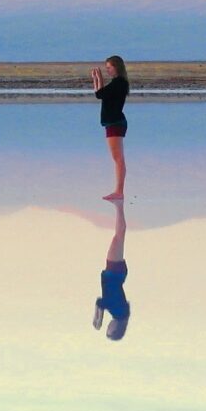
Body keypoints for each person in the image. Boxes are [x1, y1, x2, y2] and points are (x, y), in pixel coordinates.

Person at [91, 54, 129, 200]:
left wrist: (98, 78)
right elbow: (100, 95)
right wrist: (97, 78)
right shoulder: (117, 83)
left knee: (118, 158)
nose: (107, 70)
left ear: (116, 67)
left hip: (115, 123)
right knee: (117, 158)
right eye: (106, 68)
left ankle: (119, 191)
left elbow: (99, 93)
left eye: (109, 68)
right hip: (113, 122)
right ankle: (119, 191)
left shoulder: (119, 83)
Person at [93, 197, 131, 341]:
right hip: (114, 273)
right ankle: (119, 204)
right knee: (119, 236)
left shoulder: (119, 313)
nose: (107, 328)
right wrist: (98, 318)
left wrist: (98, 317)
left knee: (119, 237)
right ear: (115, 330)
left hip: (115, 273)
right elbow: (103, 302)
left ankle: (119, 204)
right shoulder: (119, 313)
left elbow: (102, 302)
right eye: (109, 331)